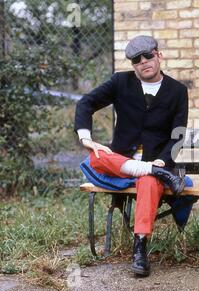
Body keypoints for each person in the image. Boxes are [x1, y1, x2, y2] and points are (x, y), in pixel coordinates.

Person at [74, 35, 190, 277]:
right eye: (136, 59)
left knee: (148, 181)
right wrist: (86, 139)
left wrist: (161, 162)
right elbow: (85, 103)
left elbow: (178, 136)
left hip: (156, 162)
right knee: (95, 157)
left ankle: (139, 248)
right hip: (120, 164)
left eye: (148, 55)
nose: (143, 62)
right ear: (132, 64)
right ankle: (152, 172)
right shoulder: (120, 82)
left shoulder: (178, 91)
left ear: (159, 55)